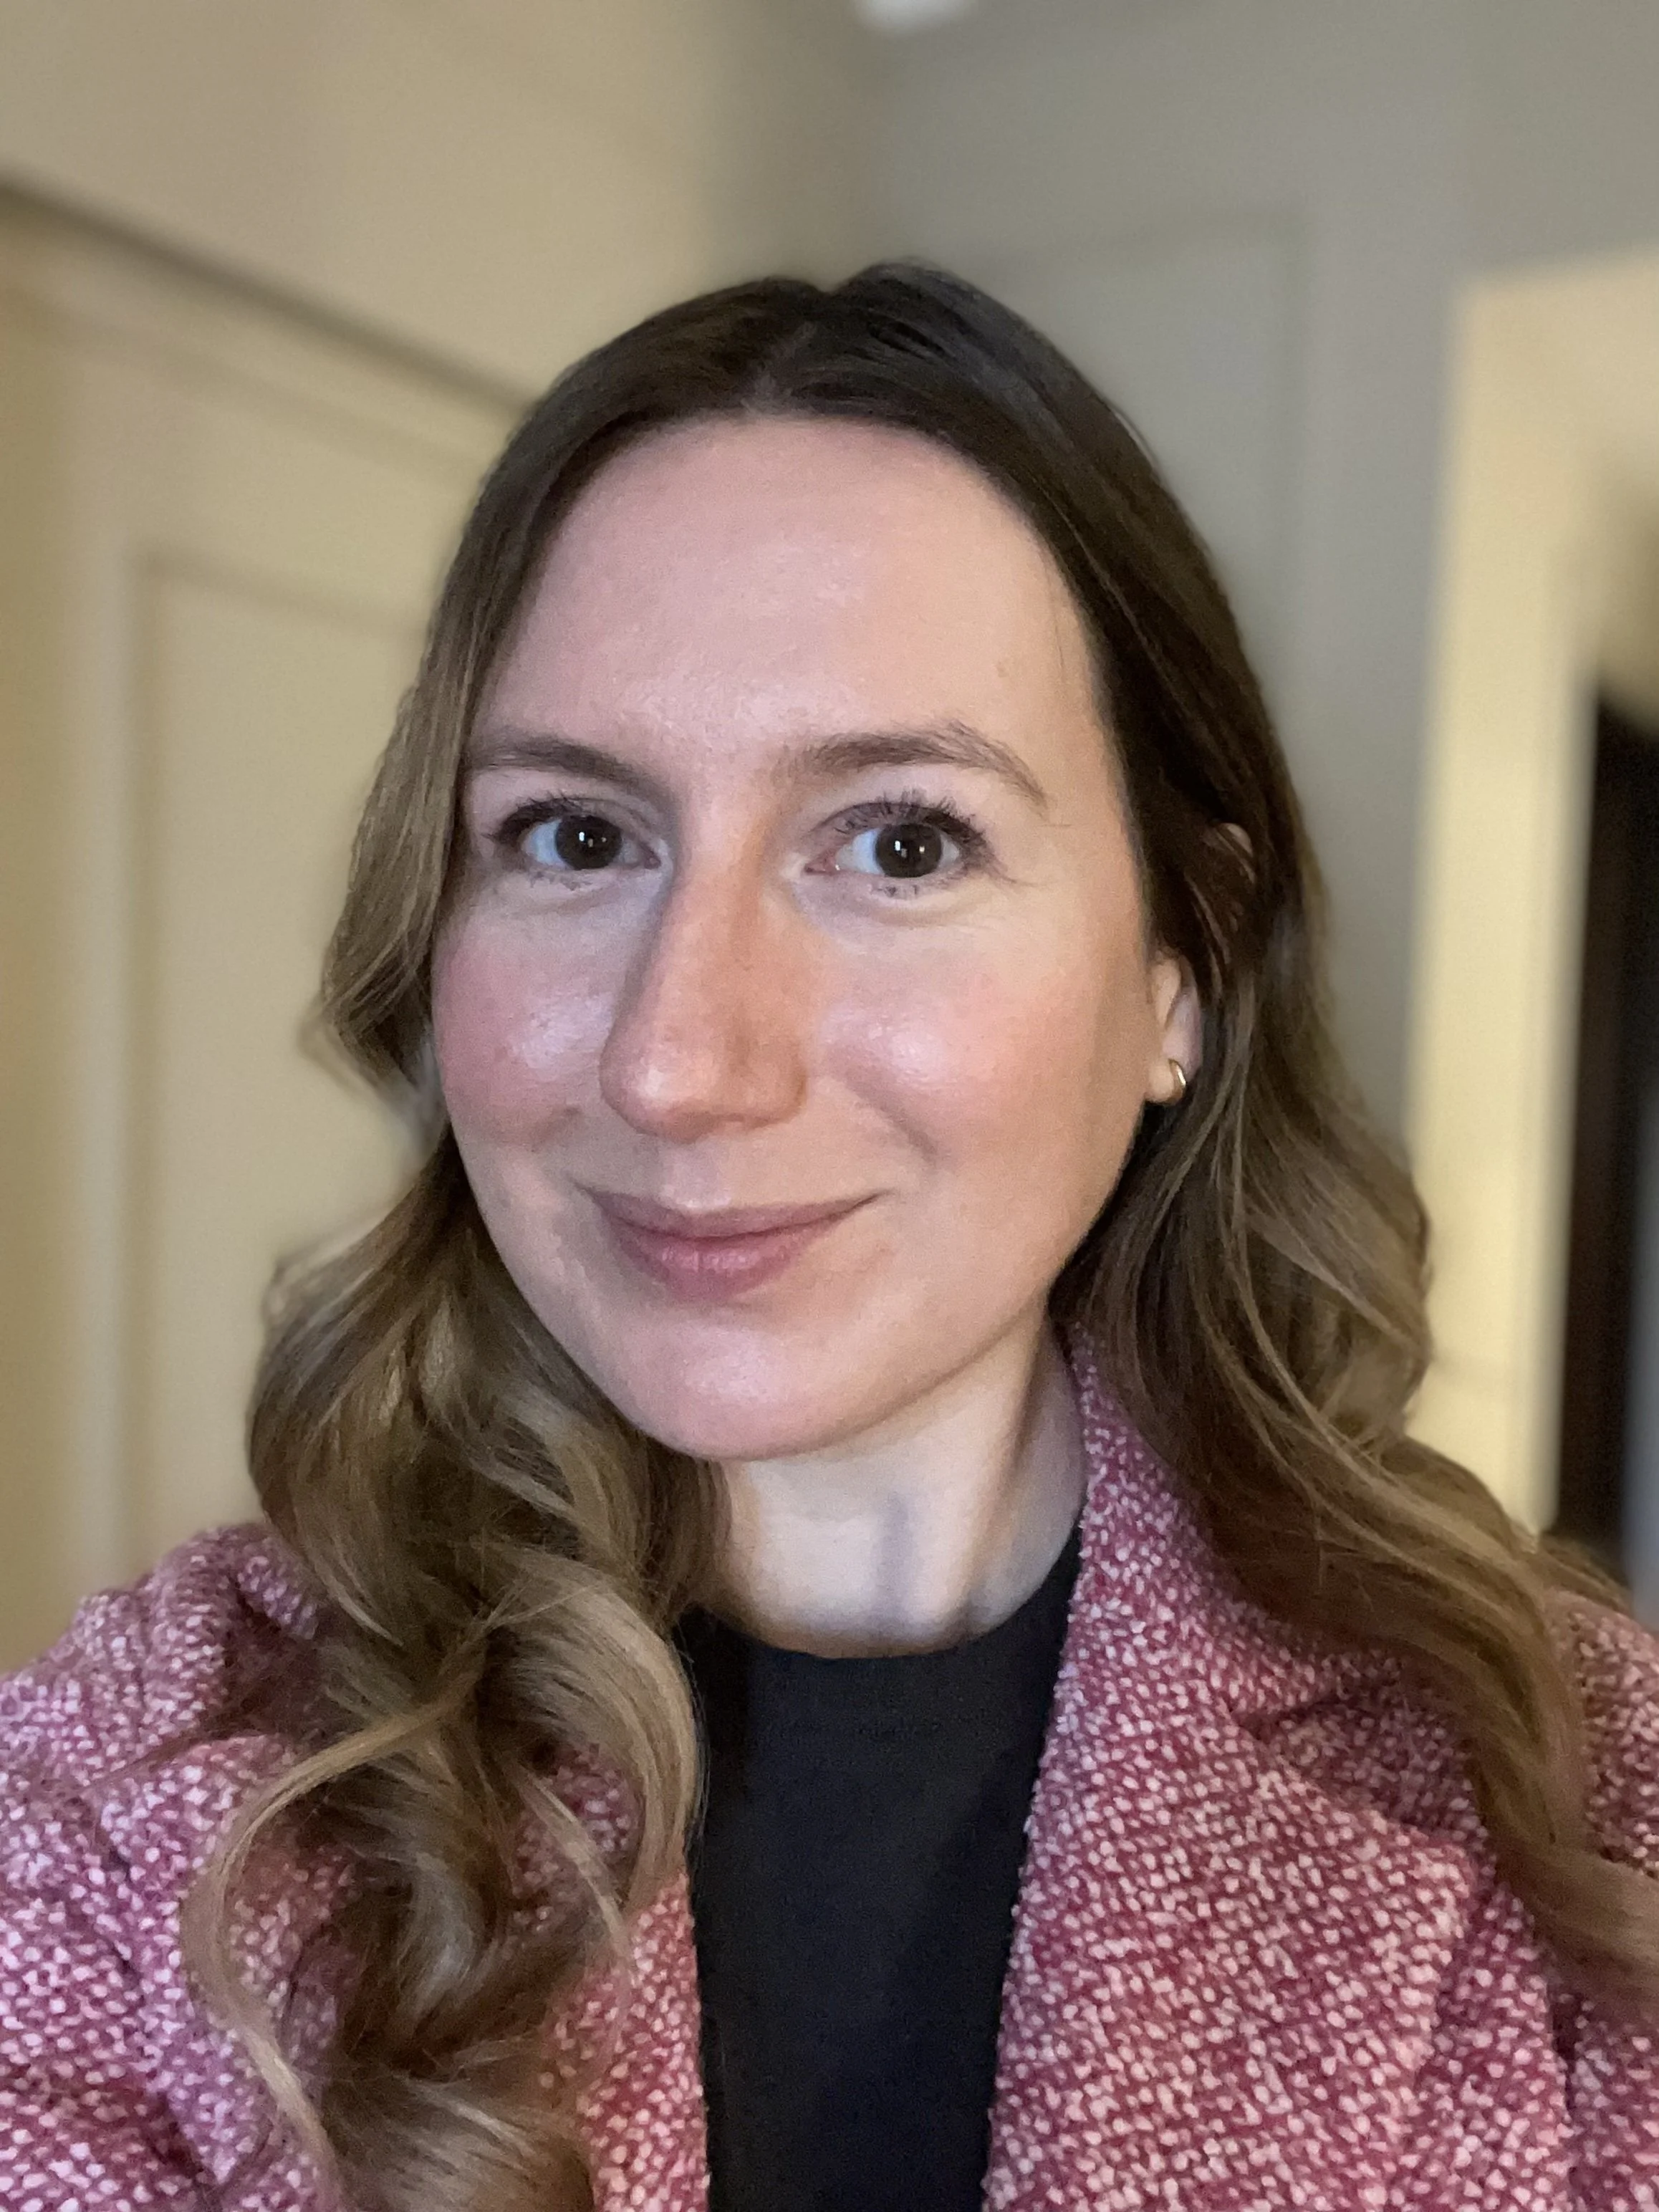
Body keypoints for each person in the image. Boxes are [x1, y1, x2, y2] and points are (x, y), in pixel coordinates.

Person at [1, 264, 1656, 2212]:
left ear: (1175, 973)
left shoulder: (1580, 1812)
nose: (681, 1059)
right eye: (573, 836)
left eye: (898, 841)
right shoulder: (137, 1782)